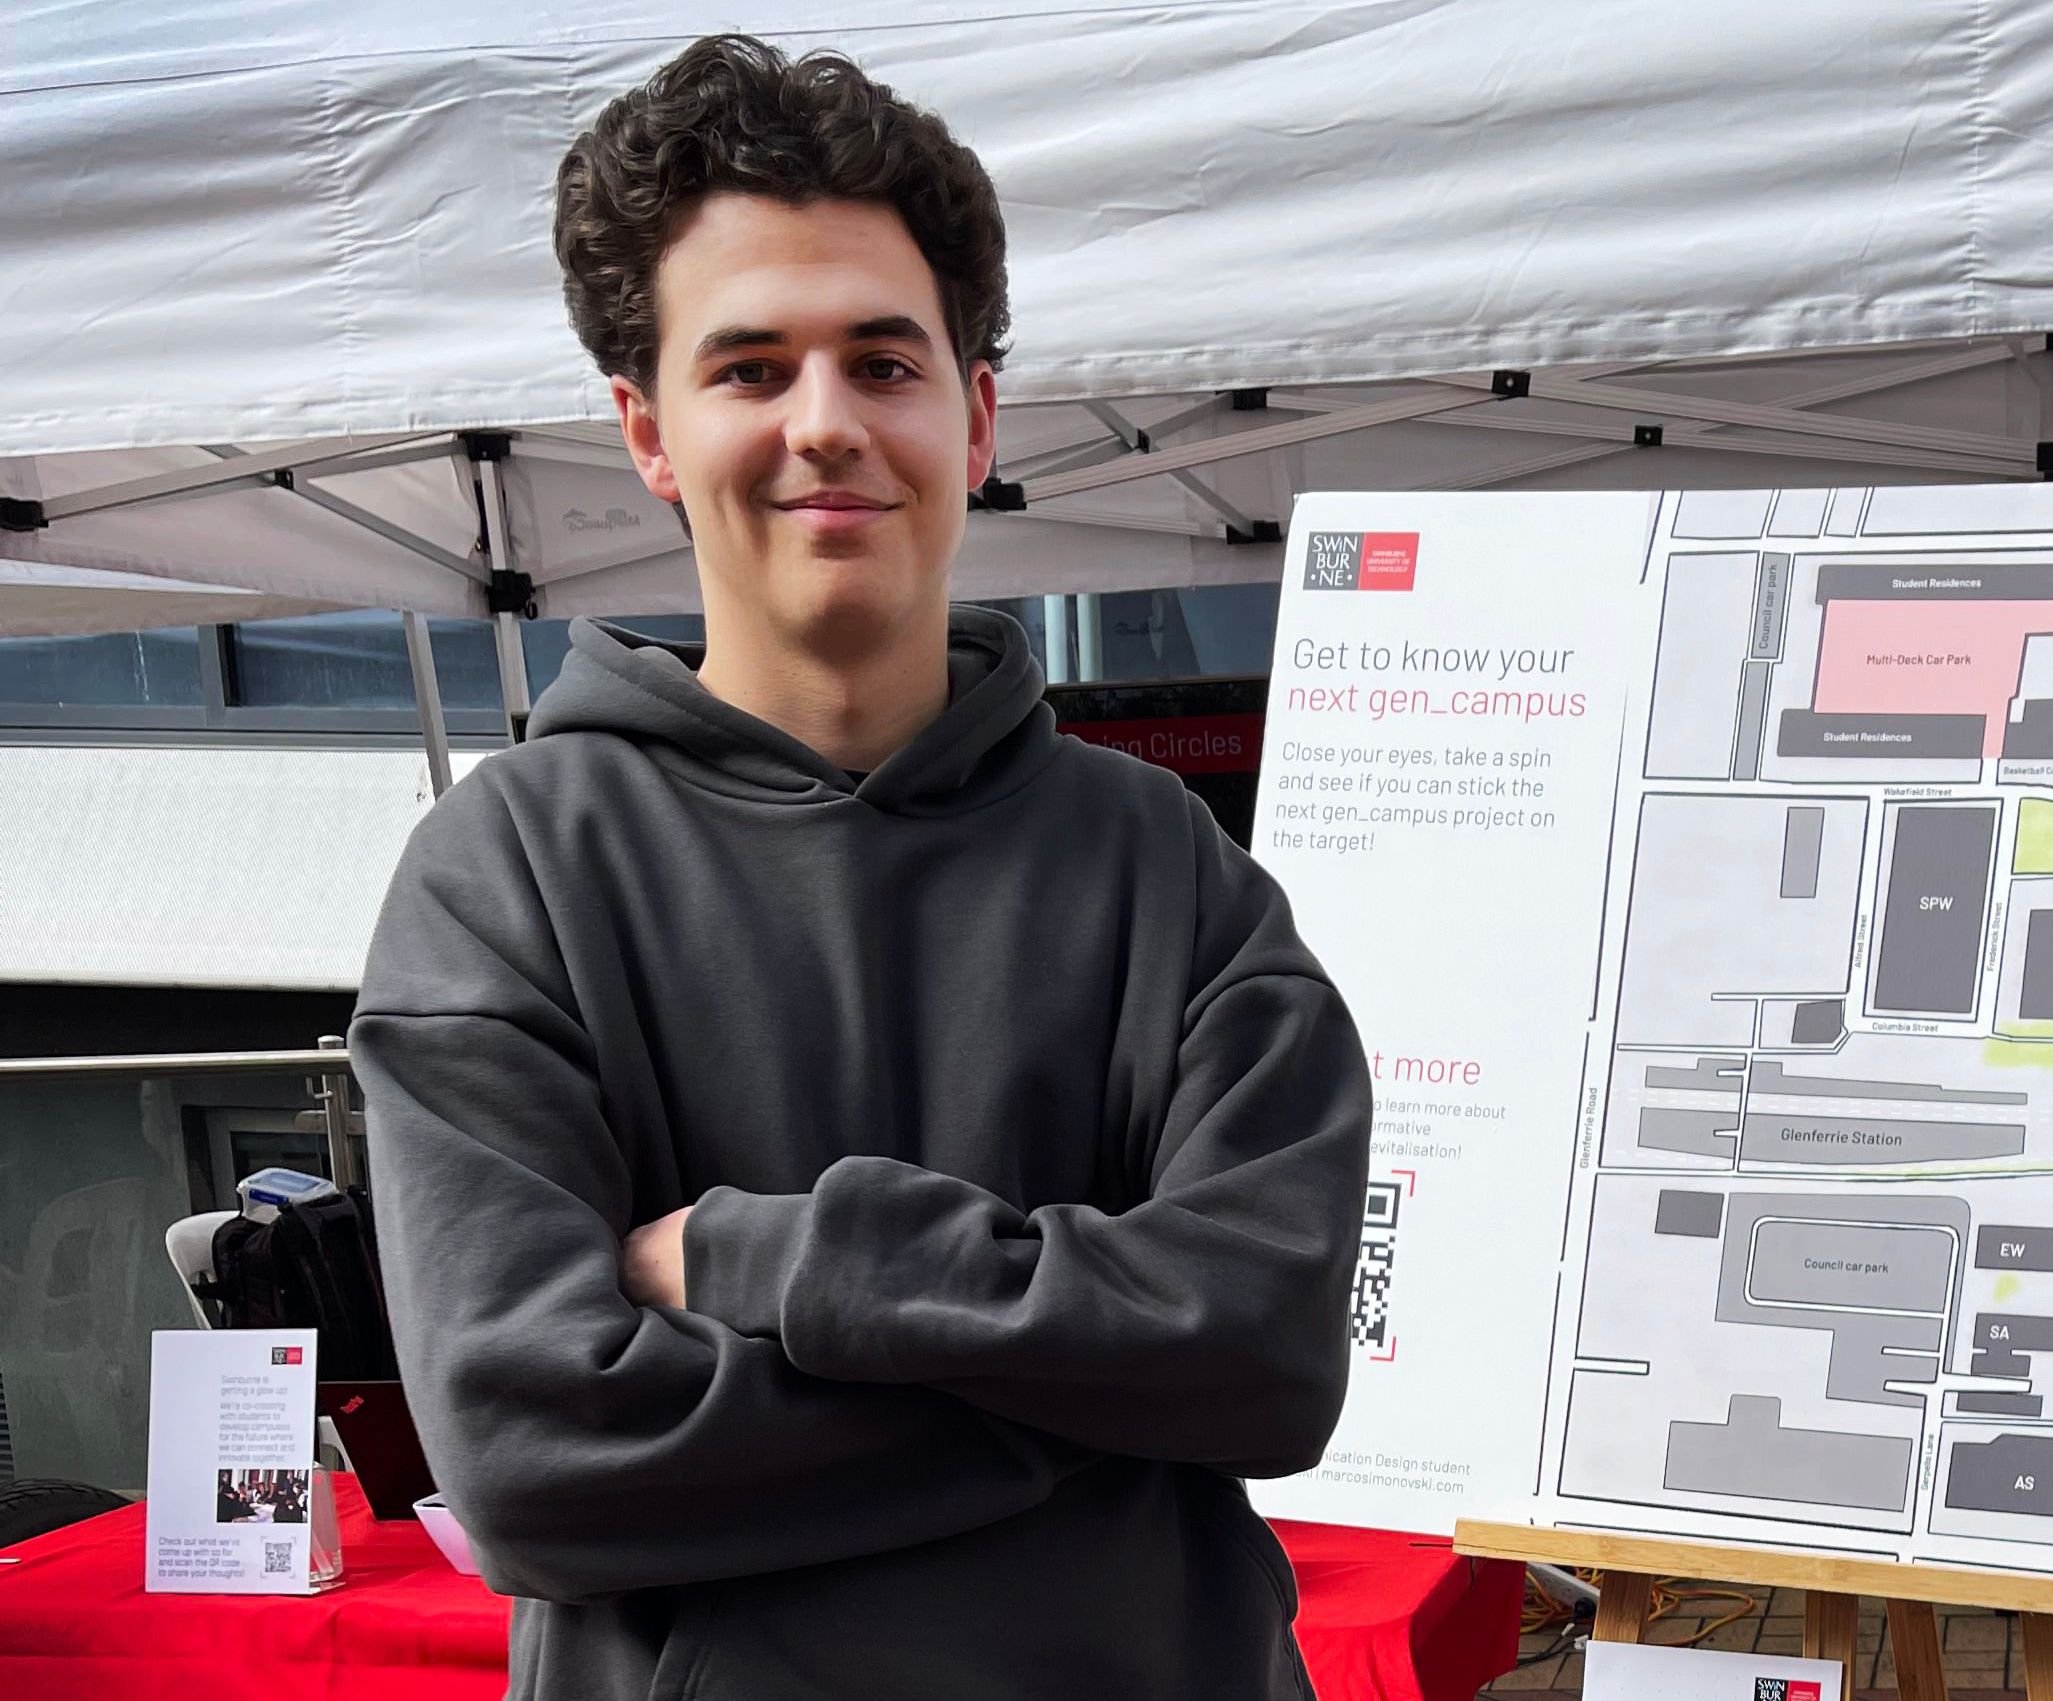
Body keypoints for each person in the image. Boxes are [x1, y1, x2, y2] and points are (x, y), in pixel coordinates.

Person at [350, 36, 1370, 1700]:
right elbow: (532, 1450)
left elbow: (1265, 1356)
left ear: (971, 418)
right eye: (749, 368)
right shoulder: (508, 874)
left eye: (882, 362)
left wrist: (770, 1262)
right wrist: (1095, 1390)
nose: (825, 424)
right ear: (649, 431)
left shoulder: (1161, 862)